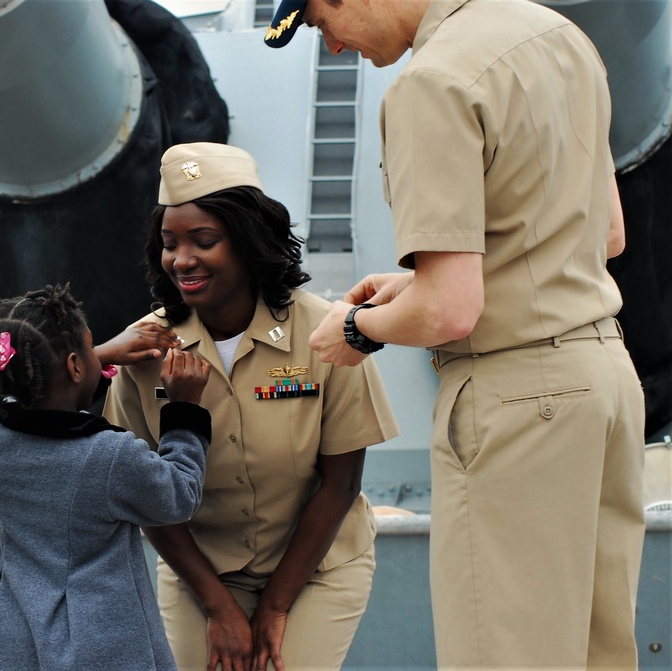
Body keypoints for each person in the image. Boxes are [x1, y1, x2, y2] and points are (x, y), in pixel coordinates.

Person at [265, 0, 646, 668]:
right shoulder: (561, 38)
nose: (331, 47)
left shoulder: (430, 83)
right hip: (605, 384)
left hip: (519, 404)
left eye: (323, 23)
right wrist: (411, 285)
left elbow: (449, 313)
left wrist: (356, 328)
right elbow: (605, 235)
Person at [104, 142, 399, 671]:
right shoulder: (144, 350)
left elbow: (340, 484)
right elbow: (143, 494)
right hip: (202, 574)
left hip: (317, 568)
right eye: (169, 243)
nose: (182, 259)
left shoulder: (328, 332)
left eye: (204, 240)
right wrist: (218, 607)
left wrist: (276, 607)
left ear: (246, 242)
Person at [0, 283, 213, 671]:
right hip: (99, 644)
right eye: (90, 348)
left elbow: (42, 400)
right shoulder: (109, 457)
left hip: (13, 638)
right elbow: (179, 496)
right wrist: (183, 411)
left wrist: (95, 356)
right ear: (74, 366)